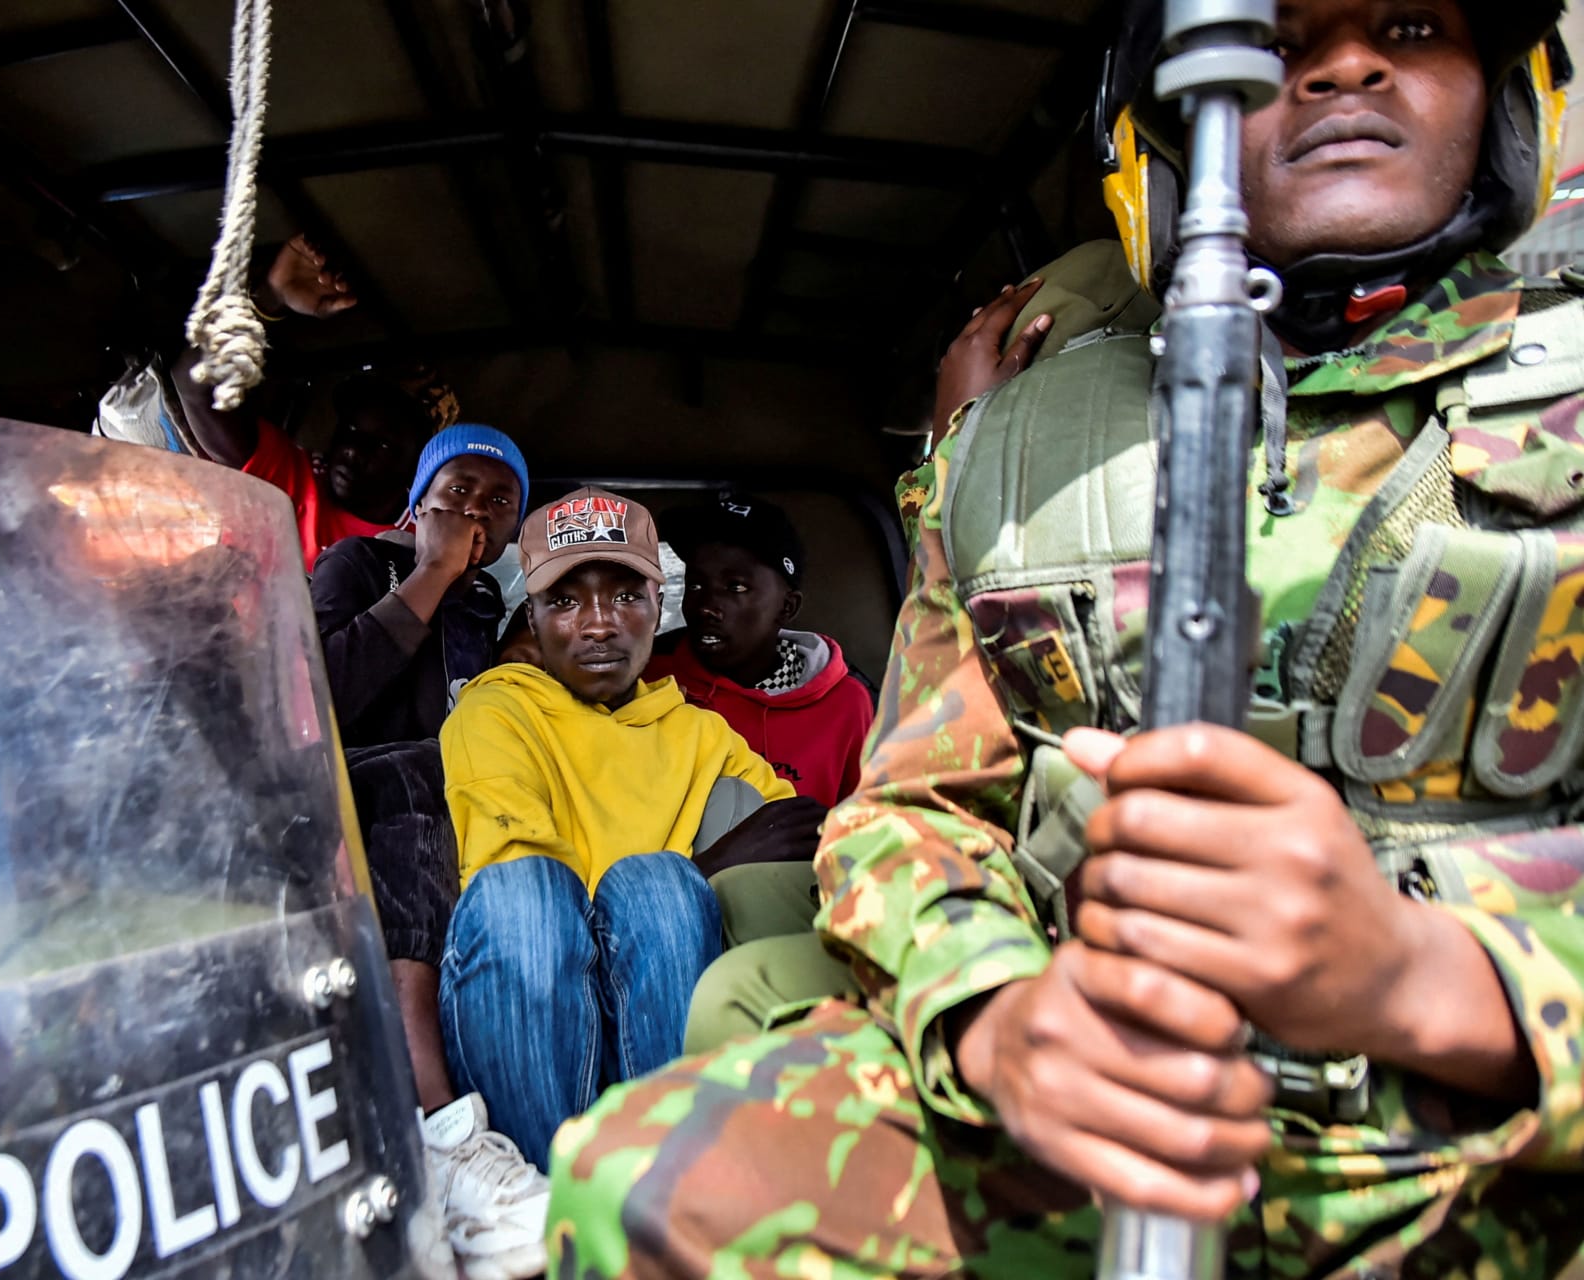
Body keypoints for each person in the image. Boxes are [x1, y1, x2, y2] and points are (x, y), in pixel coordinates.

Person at [547, 3, 1584, 1276]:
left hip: (1498, 1144)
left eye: (1413, 22)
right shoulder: (1019, 458)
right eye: (1275, 38)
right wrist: (997, 1017)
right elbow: (909, 811)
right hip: (1097, 1111)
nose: (1346, 66)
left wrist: (1439, 976)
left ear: (1509, 84)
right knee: (643, 1180)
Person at [438, 488, 820, 1170]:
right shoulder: (495, 710)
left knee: (656, 888)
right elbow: (527, 901)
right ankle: (547, 1187)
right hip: (528, 1001)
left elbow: (797, 830)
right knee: (530, 891)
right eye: (565, 601)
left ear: (656, 604)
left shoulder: (699, 733)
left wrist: (680, 883)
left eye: (623, 596)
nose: (598, 625)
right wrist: (703, 869)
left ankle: (662, 1181)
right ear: (534, 615)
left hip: (653, 1005)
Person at [309, 424, 551, 1280]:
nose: (475, 512)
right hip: (345, 797)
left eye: (499, 501)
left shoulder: (488, 607)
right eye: (456, 491)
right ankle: (437, 1118)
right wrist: (430, 570)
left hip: (440, 818)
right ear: (416, 504)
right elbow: (317, 699)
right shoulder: (357, 565)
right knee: (423, 768)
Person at [169, 234, 454, 571]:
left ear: (417, 467)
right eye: (350, 428)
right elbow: (194, 381)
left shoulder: (419, 548)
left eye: (382, 444)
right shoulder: (291, 480)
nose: (352, 449)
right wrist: (268, 299)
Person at [648, 494, 875, 810]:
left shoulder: (845, 705)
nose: (706, 607)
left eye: (736, 588)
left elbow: (861, 830)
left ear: (786, 607)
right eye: (696, 586)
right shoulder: (653, 682)